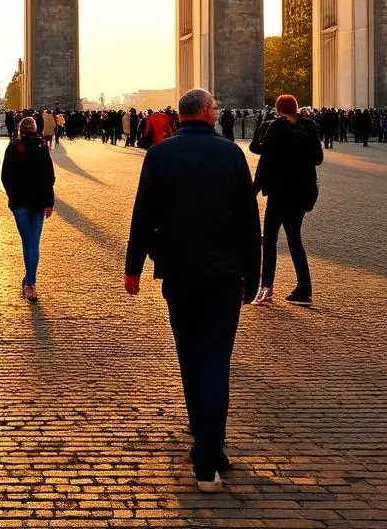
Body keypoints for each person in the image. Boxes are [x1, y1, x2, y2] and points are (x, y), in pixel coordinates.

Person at [124, 88, 261, 494]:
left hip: (179, 275)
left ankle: (207, 447)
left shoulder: (159, 155)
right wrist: (251, 277)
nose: (218, 111)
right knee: (216, 360)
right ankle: (208, 456)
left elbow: (142, 217)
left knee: (189, 358)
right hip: (223, 275)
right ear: (205, 112)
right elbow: (249, 223)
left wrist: (133, 268)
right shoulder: (232, 154)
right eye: (215, 106)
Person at [252, 94, 322, 307]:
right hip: (302, 192)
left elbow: (263, 157)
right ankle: (304, 289)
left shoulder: (275, 126)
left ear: (277, 108)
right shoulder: (309, 126)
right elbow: (318, 158)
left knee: (270, 239)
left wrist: (253, 190)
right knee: (294, 240)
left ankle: (266, 288)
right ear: (296, 107)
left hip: (279, 192)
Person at [1, 115, 55, 302]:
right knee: (34, 243)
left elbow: (4, 176)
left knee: (27, 242)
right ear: (35, 129)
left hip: (20, 204)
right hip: (38, 203)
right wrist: (49, 203)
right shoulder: (42, 148)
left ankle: (29, 281)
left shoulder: (12, 147)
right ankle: (30, 282)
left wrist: (13, 195)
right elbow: (50, 178)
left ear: (19, 130)